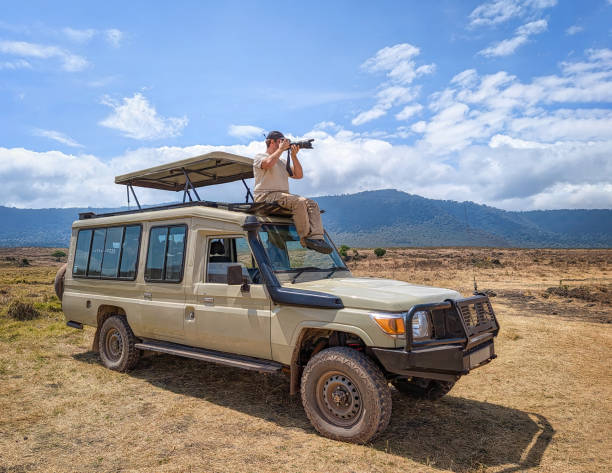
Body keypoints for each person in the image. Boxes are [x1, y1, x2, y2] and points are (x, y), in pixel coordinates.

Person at [253, 131, 332, 254]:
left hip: (282, 196)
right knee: (299, 202)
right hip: (266, 195)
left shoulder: (283, 162)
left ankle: (317, 238)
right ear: (272, 142)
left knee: (312, 204)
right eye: (281, 141)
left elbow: (299, 175)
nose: (284, 144)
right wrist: (280, 150)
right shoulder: (260, 156)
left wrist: (294, 156)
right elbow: (268, 164)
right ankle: (305, 239)